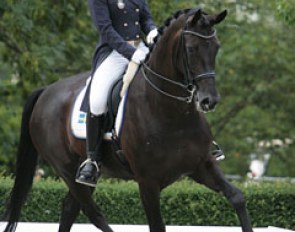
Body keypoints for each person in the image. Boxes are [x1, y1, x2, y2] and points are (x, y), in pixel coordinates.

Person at [75, 0, 158, 187]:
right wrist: (130, 52)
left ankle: (199, 138)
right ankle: (92, 160)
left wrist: (152, 30)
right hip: (115, 52)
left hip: (141, 49)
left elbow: (145, 18)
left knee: (172, 73)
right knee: (97, 101)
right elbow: (106, 30)